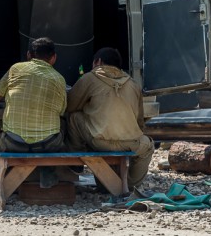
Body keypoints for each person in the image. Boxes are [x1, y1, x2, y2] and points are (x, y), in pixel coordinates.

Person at [66, 47, 154, 196]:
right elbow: (140, 122)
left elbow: (71, 106)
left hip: (100, 141)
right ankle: (130, 184)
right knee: (148, 146)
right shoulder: (133, 84)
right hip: (131, 143)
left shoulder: (89, 78)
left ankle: (75, 165)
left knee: (74, 117)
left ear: (98, 62)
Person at [0, 37, 67, 153]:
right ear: (54, 58)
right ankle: (52, 170)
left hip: (13, 142)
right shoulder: (60, 79)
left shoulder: (16, 69)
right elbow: (61, 111)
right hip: (48, 144)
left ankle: (2, 171)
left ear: (28, 55)